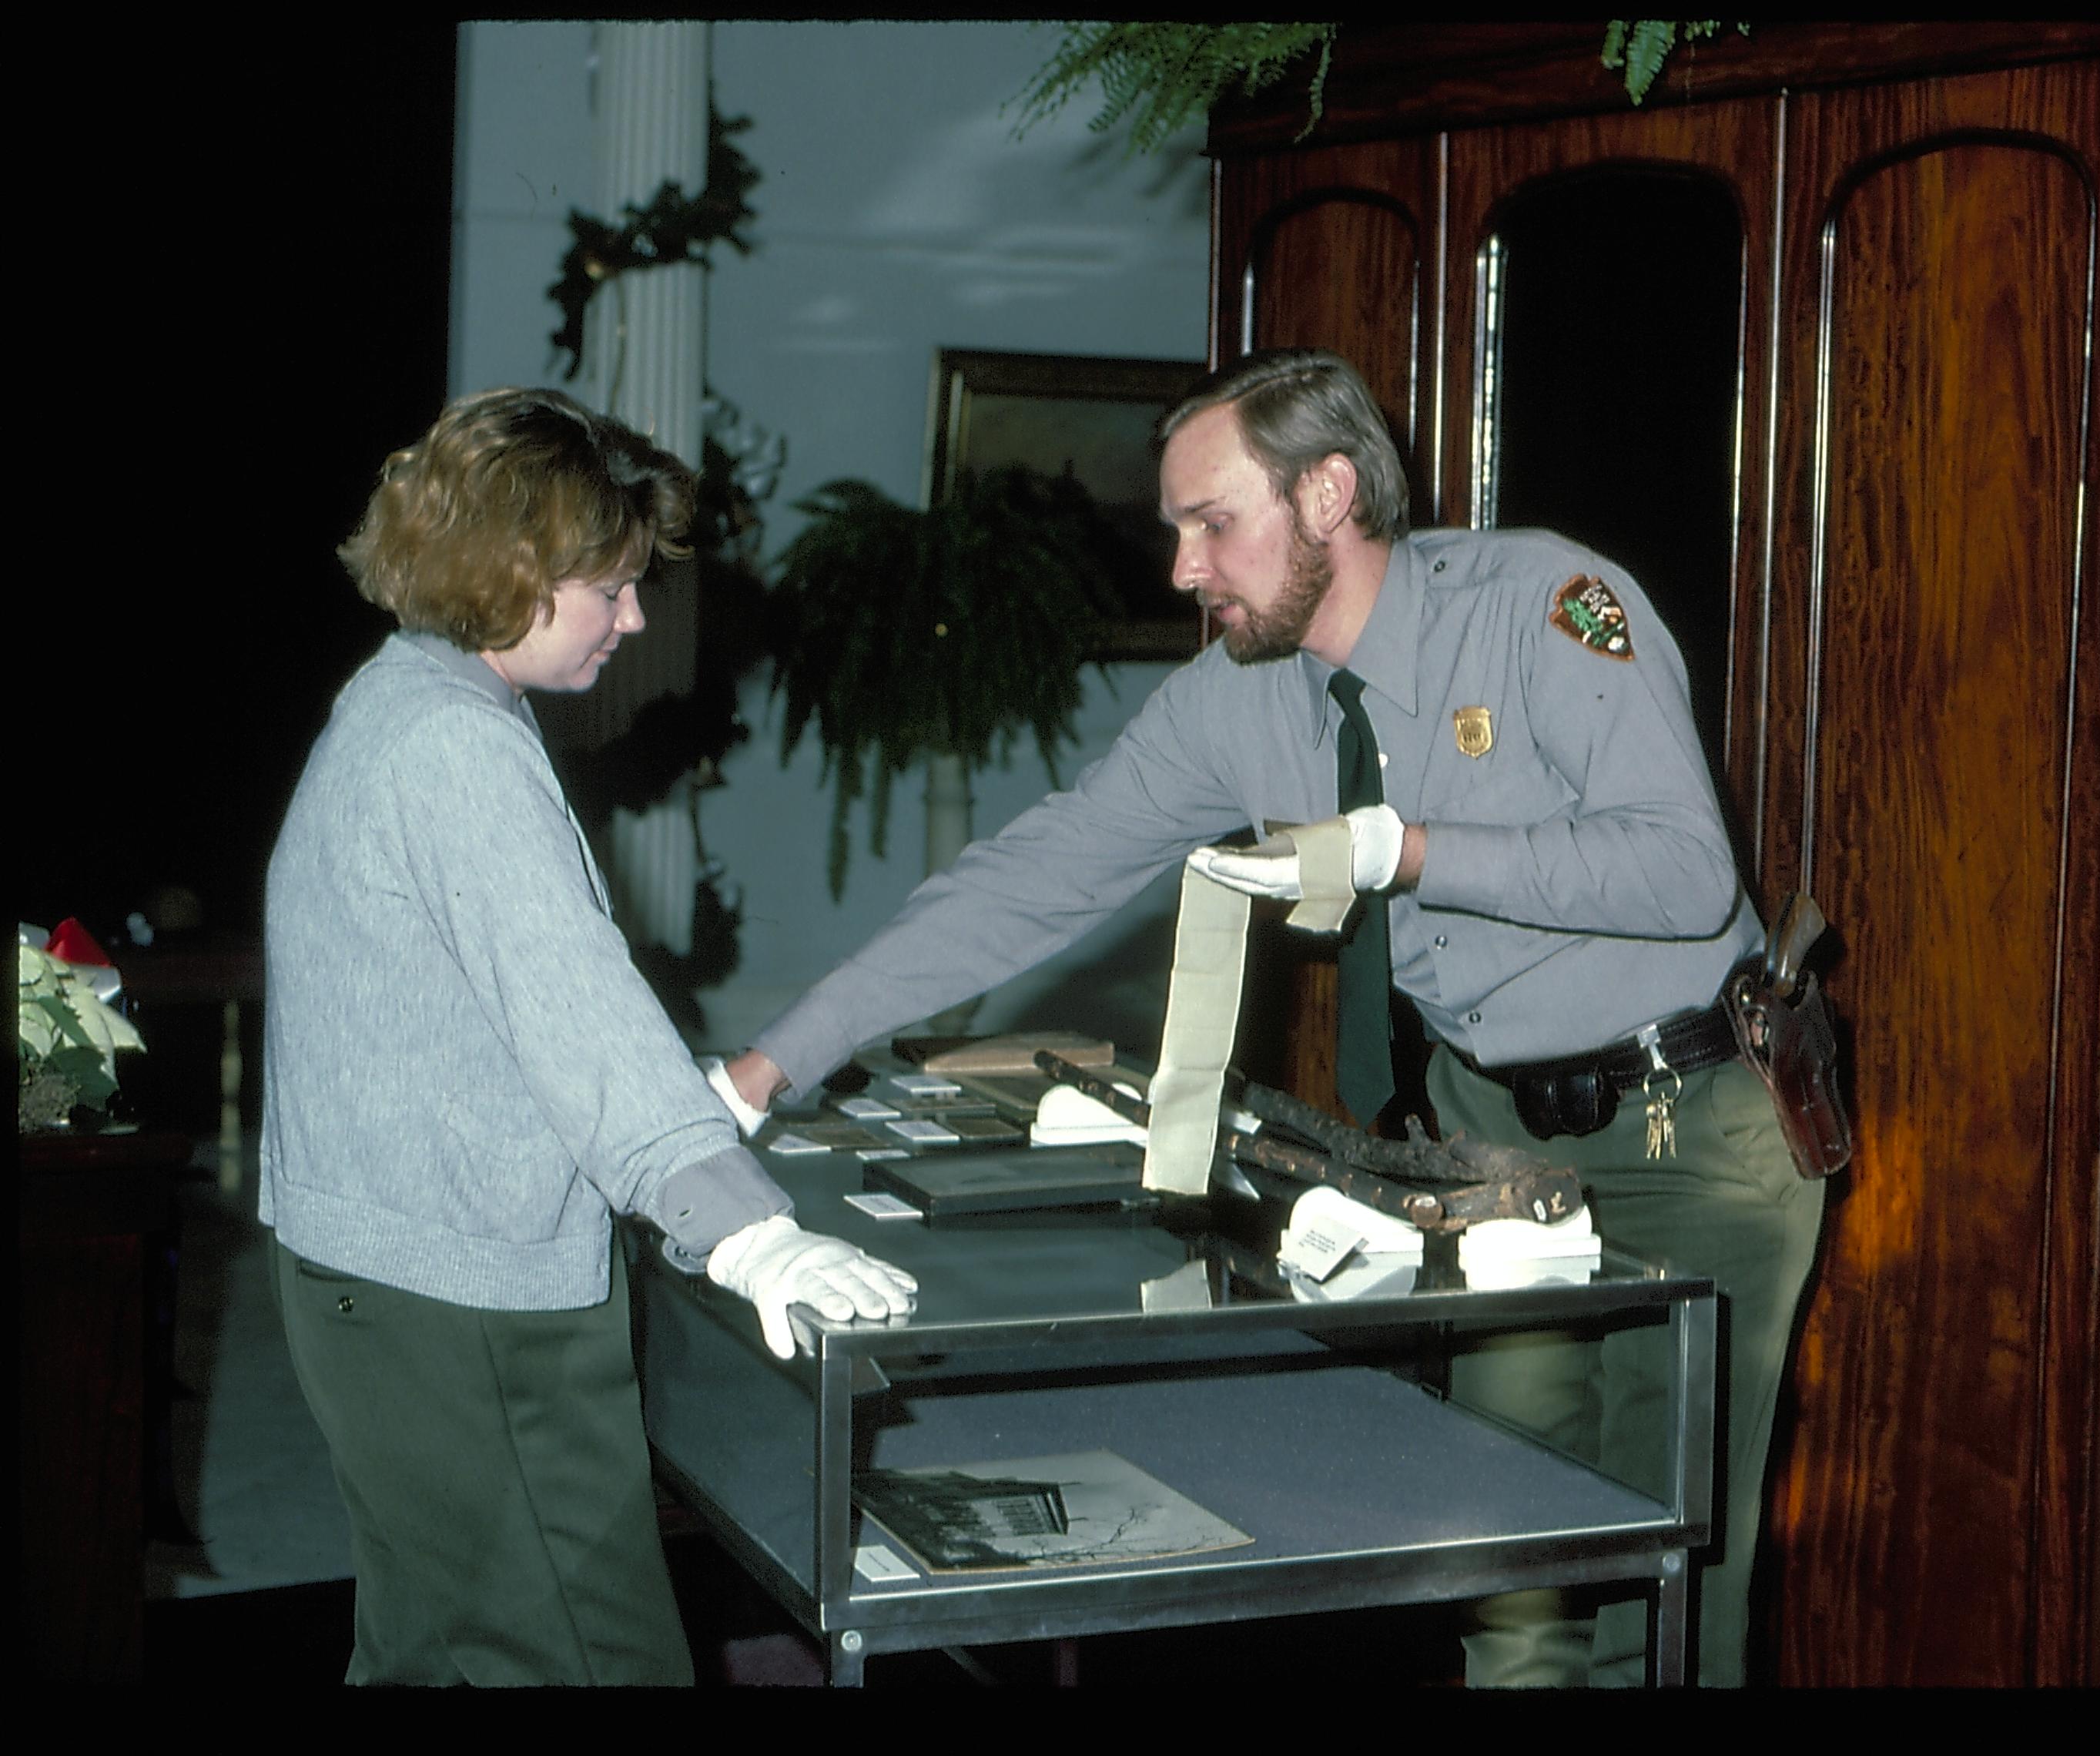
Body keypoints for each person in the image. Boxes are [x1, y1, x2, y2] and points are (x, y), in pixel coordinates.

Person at [722, 349, 1824, 1687]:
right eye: (1176, 530)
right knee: (1515, 1583)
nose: (1184, 568)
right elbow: (1032, 876)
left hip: (1684, 1135)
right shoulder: (1238, 700)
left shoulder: (1548, 607)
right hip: (1499, 1160)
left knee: (1674, 1595)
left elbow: (1683, 872)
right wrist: (780, 1059)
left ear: (1328, 496)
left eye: (1211, 522)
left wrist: (1406, 851)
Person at [260, 387, 918, 1686]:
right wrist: (749, 1231)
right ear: (513, 570)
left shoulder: (393, 702)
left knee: (430, 1653)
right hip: (464, 1298)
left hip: (370, 1273)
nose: (632, 617)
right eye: (608, 587)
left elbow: (468, 1014)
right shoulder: (457, 745)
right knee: (592, 1657)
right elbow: (572, 1000)